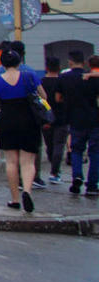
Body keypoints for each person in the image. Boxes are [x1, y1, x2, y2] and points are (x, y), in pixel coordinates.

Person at [0, 50, 49, 211]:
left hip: (7, 120)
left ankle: (15, 199)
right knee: (28, 161)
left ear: (2, 64)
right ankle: (27, 190)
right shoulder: (29, 76)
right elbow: (44, 96)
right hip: (28, 119)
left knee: (11, 162)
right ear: (20, 62)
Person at [62, 53, 99, 195]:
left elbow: (59, 97)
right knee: (95, 152)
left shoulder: (67, 78)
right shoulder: (93, 80)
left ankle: (77, 176)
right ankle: (92, 185)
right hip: (95, 120)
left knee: (76, 150)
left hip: (76, 119)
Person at [39, 56, 67, 184]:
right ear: (59, 68)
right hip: (61, 117)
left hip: (45, 118)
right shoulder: (62, 81)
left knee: (49, 145)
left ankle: (53, 165)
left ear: (46, 68)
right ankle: (55, 172)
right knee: (59, 145)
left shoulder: (41, 82)